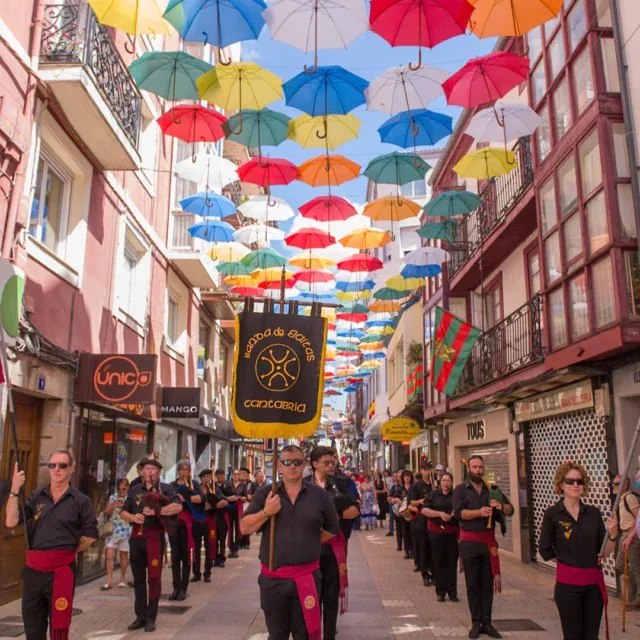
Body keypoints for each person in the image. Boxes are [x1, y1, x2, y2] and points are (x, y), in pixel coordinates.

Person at [241, 445, 340, 640]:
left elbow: (332, 529)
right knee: (277, 635)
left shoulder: (319, 495)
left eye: (297, 462)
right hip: (273, 580)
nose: (292, 466)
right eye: (287, 462)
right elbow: (245, 528)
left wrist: (310, 541)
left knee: (304, 635)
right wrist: (266, 512)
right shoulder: (266, 493)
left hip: (308, 578)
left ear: (304, 465)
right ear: (279, 466)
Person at [6, 451, 98, 640]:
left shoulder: (81, 501)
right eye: (52, 465)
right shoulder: (36, 496)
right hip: (33, 571)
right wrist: (15, 490)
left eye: (62, 465)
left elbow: (90, 535)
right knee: (32, 627)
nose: (56, 469)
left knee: (59, 626)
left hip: (61, 571)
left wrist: (66, 551)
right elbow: (11, 521)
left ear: (71, 469)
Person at [539, 461, 617, 640]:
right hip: (567, 588)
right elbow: (545, 550)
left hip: (593, 588)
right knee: (573, 636)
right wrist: (569, 566)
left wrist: (613, 535)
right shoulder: (552, 514)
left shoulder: (594, 513)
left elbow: (604, 552)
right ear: (561, 484)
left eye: (579, 482)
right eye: (570, 481)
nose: (575, 485)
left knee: (591, 636)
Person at [453, 455, 514, 639]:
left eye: (480, 467)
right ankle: (475, 622)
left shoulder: (492, 489)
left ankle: (487, 622)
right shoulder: (460, 490)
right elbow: (458, 514)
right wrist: (479, 512)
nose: (478, 470)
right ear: (468, 469)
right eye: (474, 467)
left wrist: (500, 507)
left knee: (487, 584)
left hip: (488, 544)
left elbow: (511, 509)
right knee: (473, 584)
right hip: (469, 543)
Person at [121, 458, 181, 632]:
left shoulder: (166, 489)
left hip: (154, 538)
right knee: (138, 578)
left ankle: (151, 617)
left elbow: (178, 507)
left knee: (154, 577)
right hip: (136, 537)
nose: (149, 472)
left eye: (153, 469)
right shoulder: (134, 490)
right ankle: (140, 616)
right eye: (147, 468)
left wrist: (158, 511)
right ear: (141, 472)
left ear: (159, 472)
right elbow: (124, 511)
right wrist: (133, 517)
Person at [308, 446, 359, 640]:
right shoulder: (304, 484)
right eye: (326, 462)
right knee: (311, 594)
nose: (331, 465)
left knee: (331, 594)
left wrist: (334, 517)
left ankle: (329, 634)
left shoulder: (343, 483)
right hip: (309, 547)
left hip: (334, 547)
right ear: (314, 464)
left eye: (333, 462)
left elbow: (355, 509)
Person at [170, 459, 204, 600]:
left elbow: (201, 499)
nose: (185, 472)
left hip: (188, 524)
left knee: (186, 555)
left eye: (187, 470)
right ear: (178, 471)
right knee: (175, 556)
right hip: (174, 522)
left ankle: (184, 587)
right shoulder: (172, 485)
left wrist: (187, 498)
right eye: (182, 469)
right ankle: (176, 587)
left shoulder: (194, 484)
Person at [423, 472, 459, 602]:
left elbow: (462, 510)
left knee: (451, 562)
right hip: (436, 533)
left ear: (452, 482)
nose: (446, 483)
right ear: (440, 482)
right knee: (438, 562)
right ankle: (441, 591)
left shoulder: (456, 495)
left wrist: (456, 513)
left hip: (451, 533)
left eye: (448, 480)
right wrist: (439, 514)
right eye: (444, 480)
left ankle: (452, 592)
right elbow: (424, 510)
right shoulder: (433, 495)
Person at [192, 469, 226, 583]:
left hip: (210, 521)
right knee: (196, 548)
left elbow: (224, 501)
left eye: (208, 477)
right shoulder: (195, 489)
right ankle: (196, 573)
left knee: (209, 547)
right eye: (204, 477)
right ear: (201, 479)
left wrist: (213, 506)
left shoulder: (215, 489)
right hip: (196, 521)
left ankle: (207, 572)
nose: (206, 479)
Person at [616, 472, 640, 610]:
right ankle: (631, 593)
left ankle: (637, 598)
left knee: (636, 568)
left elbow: (638, 519)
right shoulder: (621, 498)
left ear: (624, 485)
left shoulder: (630, 498)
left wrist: (630, 536)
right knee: (620, 565)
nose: (614, 486)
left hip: (631, 536)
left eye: (617, 484)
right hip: (624, 535)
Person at [102, 478, 131, 590]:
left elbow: (133, 513)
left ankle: (122, 579)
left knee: (123, 555)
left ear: (127, 488)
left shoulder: (130, 498)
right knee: (109, 555)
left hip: (126, 529)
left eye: (123, 489)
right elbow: (105, 513)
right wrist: (112, 506)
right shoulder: (113, 497)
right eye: (119, 489)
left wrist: (124, 506)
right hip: (113, 530)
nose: (121, 492)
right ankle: (109, 581)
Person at [408, 463, 433, 587]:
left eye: (430, 470)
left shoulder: (436, 484)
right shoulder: (416, 486)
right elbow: (411, 503)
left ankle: (434, 573)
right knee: (423, 547)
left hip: (435, 520)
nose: (428, 472)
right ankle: (425, 575)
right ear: (421, 471)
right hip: (421, 520)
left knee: (434, 548)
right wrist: (421, 501)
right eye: (425, 470)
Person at [391, 470, 414, 558]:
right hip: (403, 514)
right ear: (403, 478)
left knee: (412, 532)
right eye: (405, 476)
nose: (407, 478)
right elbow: (392, 499)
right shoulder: (400, 489)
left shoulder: (414, 487)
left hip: (413, 513)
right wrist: (397, 500)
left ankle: (412, 551)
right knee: (405, 532)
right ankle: (406, 551)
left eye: (408, 476)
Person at [226, 469, 248, 557]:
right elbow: (225, 496)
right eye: (234, 474)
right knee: (230, 529)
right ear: (232, 476)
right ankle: (231, 549)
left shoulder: (243, 486)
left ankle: (236, 549)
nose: (235, 476)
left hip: (238, 509)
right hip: (229, 509)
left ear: (239, 476)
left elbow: (246, 498)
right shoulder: (228, 485)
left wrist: (238, 497)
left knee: (238, 529)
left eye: (237, 474)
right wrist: (230, 498)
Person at [240, 467, 253, 549]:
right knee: (239, 524)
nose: (243, 475)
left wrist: (251, 497)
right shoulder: (237, 483)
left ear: (248, 475)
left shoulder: (251, 484)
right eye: (242, 473)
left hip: (248, 505)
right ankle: (239, 543)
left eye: (245, 473)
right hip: (239, 505)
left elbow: (257, 493)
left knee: (247, 523)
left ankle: (246, 543)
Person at [386, 472, 399, 537]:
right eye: (394, 476)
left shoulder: (400, 485)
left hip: (399, 503)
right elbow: (390, 493)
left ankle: (399, 531)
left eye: (396, 476)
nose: (395, 477)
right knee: (391, 517)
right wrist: (389, 497)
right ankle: (391, 531)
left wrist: (393, 497)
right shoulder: (392, 485)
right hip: (392, 502)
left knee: (398, 518)